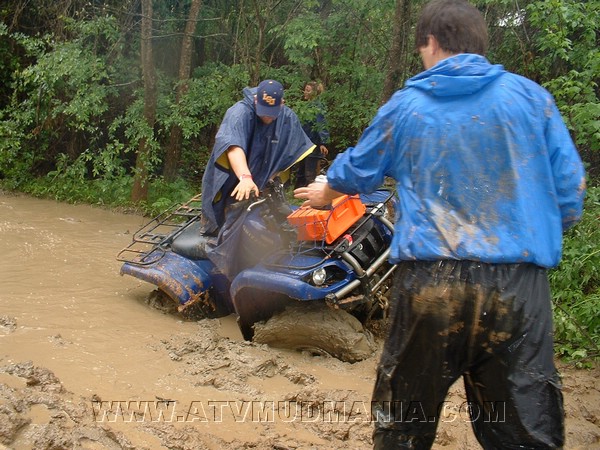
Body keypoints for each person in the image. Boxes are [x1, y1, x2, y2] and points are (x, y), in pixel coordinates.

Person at [294, 1, 586, 448]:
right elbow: (569, 192)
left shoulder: (406, 107)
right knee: (525, 430)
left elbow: (357, 171)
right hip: (518, 289)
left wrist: (325, 192)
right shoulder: (531, 99)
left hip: (431, 284)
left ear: (430, 43)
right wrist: (528, 239)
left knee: (404, 425)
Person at [201, 79, 315, 277]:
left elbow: (288, 152)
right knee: (222, 225)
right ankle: (221, 273)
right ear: (255, 100)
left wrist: (272, 177)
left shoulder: (286, 117)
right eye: (263, 111)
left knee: (275, 224)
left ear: (282, 104)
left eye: (272, 114)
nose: (267, 118)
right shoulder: (239, 113)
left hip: (260, 184)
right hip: (230, 181)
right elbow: (233, 147)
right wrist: (245, 177)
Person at [294, 81, 330, 189]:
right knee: (301, 168)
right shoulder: (305, 107)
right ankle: (298, 191)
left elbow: (321, 124)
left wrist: (323, 142)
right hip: (304, 143)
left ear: (314, 92)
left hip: (313, 143)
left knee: (310, 171)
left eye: (308, 90)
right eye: (305, 89)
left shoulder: (318, 107)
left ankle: (312, 192)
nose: (305, 92)